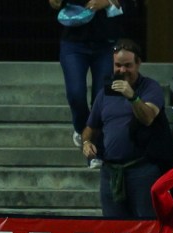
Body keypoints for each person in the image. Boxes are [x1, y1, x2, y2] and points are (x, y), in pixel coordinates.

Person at [81, 39, 169, 218]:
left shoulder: (150, 88)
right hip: (111, 172)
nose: (122, 70)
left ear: (138, 64)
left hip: (142, 171)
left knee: (147, 227)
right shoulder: (104, 93)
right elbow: (90, 128)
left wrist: (132, 97)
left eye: (128, 65)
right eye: (118, 65)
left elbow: (147, 118)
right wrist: (86, 142)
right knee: (114, 231)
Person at [48, 0, 126, 158]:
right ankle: (82, 131)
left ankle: (96, 149)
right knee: (75, 93)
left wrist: (108, 2)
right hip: (73, 41)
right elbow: (55, 4)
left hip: (106, 41)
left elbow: (128, 4)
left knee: (102, 96)